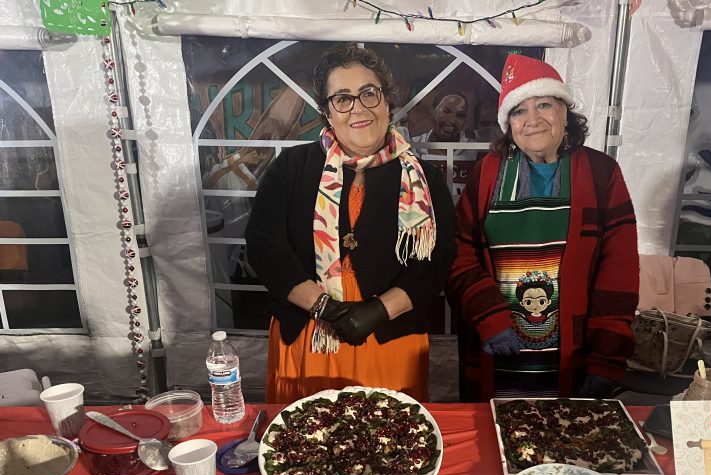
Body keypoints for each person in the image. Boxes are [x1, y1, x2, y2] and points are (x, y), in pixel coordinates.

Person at [246, 43, 456, 405]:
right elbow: (265, 246)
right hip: (311, 334)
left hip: (390, 335)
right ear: (328, 112)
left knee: (390, 445)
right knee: (305, 443)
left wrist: (378, 310)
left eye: (368, 94)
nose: (358, 108)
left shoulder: (425, 179)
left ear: (387, 101)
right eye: (342, 98)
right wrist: (324, 308)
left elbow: (435, 262)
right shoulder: (291, 168)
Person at [447, 54, 639, 400]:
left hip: (573, 358)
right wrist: (487, 316)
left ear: (565, 112)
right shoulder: (488, 173)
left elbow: (619, 272)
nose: (532, 120)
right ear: (509, 123)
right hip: (496, 351)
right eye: (519, 110)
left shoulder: (601, 174)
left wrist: (607, 358)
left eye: (544, 105)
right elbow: (458, 253)